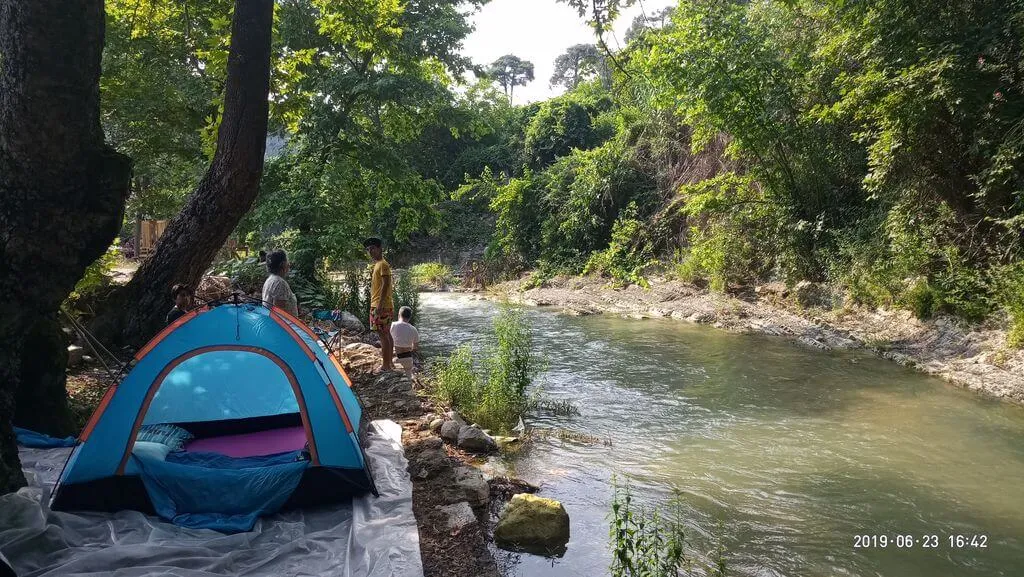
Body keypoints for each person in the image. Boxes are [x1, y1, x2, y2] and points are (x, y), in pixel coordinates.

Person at [364, 237, 394, 371]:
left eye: (373, 249)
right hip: (380, 304)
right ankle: (390, 363)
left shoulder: (382, 264)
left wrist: (380, 304)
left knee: (383, 335)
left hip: (380, 305)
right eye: (368, 249)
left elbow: (386, 284)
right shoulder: (378, 264)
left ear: (380, 248)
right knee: (386, 334)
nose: (370, 251)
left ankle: (386, 365)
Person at [262, 250, 298, 316]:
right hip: (282, 325)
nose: (289, 264)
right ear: (283, 264)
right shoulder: (280, 283)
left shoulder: (270, 279)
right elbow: (279, 313)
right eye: (287, 261)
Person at [390, 306, 420, 378]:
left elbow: (387, 340)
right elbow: (415, 347)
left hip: (396, 358)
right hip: (408, 359)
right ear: (409, 317)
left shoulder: (393, 325)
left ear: (399, 315)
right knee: (408, 381)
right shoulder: (413, 329)